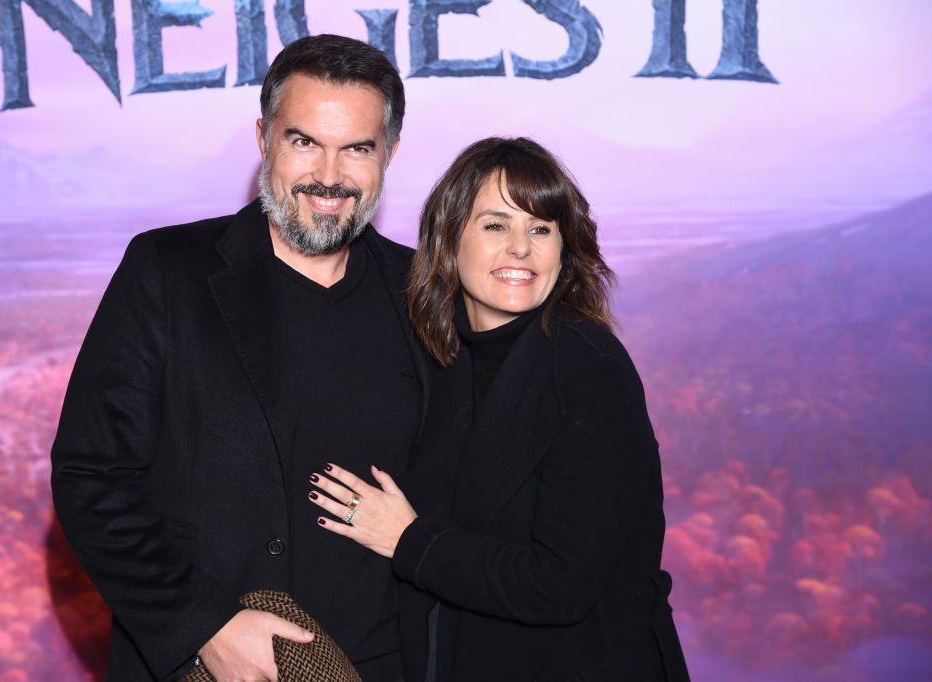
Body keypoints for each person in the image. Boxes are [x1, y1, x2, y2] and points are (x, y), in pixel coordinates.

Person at [51, 35, 427, 682]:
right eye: (304, 141)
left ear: (388, 152)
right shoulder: (167, 272)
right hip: (205, 664)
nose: (329, 176)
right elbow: (92, 475)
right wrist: (202, 628)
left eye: (357, 148)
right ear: (264, 138)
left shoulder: (426, 294)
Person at [310, 137, 690, 681]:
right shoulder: (436, 362)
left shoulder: (586, 367)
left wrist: (408, 541)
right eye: (495, 226)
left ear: (564, 249)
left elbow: (560, 584)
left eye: (541, 229)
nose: (521, 248)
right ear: (449, 239)